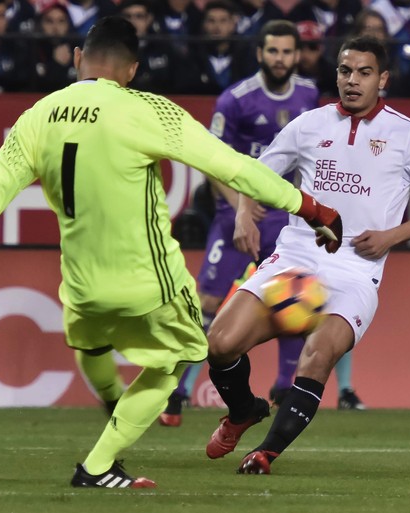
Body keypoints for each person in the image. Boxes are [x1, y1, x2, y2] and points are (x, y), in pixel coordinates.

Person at [0, 16, 343, 488]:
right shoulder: (149, 110)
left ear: (77, 59)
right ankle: (99, 464)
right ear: (132, 70)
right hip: (147, 283)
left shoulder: (38, 116)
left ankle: (116, 402)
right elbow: (236, 168)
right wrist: (310, 206)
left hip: (80, 288)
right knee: (180, 357)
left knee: (91, 344)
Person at [204, 35, 410, 475]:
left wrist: (392, 236)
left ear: (383, 80)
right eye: (345, 71)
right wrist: (244, 211)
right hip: (294, 262)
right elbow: (257, 174)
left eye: (364, 72)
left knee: (317, 356)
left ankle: (266, 453)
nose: (352, 81)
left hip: (356, 273)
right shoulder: (309, 125)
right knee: (220, 344)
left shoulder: (405, 134)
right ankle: (243, 410)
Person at [159, 20, 321, 427]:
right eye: (273, 51)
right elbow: (212, 162)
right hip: (236, 213)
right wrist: (240, 209)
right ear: (259, 54)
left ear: (296, 55)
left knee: (293, 298)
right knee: (206, 303)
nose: (280, 59)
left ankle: (285, 385)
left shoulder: (309, 94)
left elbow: (308, 158)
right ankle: (174, 392)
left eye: (287, 52)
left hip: (283, 216)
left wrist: (303, 209)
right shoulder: (234, 100)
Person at [181, 0, 256, 94]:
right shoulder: (193, 56)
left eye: (223, 20)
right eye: (211, 21)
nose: (217, 26)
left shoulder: (246, 55)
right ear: (204, 24)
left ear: (232, 24)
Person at [32, 0, 79, 92]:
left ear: (68, 24)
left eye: (61, 21)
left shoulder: (77, 48)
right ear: (40, 24)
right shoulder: (32, 50)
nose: (55, 27)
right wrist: (57, 65)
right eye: (49, 21)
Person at [295, 20, 337, 97]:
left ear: (321, 48)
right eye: (300, 47)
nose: (305, 54)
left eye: (312, 47)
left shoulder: (334, 75)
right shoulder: (287, 74)